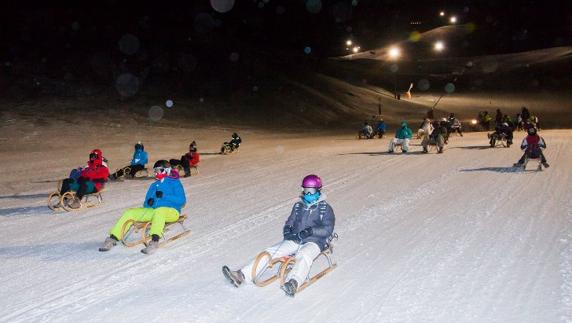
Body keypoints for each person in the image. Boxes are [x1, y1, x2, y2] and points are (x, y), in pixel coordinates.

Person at [222, 174, 335, 297]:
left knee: (304, 255)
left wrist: (311, 231)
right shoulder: (298, 206)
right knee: (272, 251)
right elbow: (290, 221)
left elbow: (327, 229)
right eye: (306, 191)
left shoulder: (325, 209)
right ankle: (242, 275)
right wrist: (287, 230)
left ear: (318, 191)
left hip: (315, 241)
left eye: (311, 191)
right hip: (297, 238)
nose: (308, 195)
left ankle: (293, 282)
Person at [99, 160, 186, 254]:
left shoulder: (175, 183)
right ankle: (113, 238)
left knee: (160, 212)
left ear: (167, 170)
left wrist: (165, 196)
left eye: (159, 170)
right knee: (130, 212)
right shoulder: (154, 185)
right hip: (154, 211)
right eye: (155, 171)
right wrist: (149, 202)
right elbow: (145, 203)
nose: (156, 173)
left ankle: (154, 241)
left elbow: (181, 200)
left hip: (172, 212)